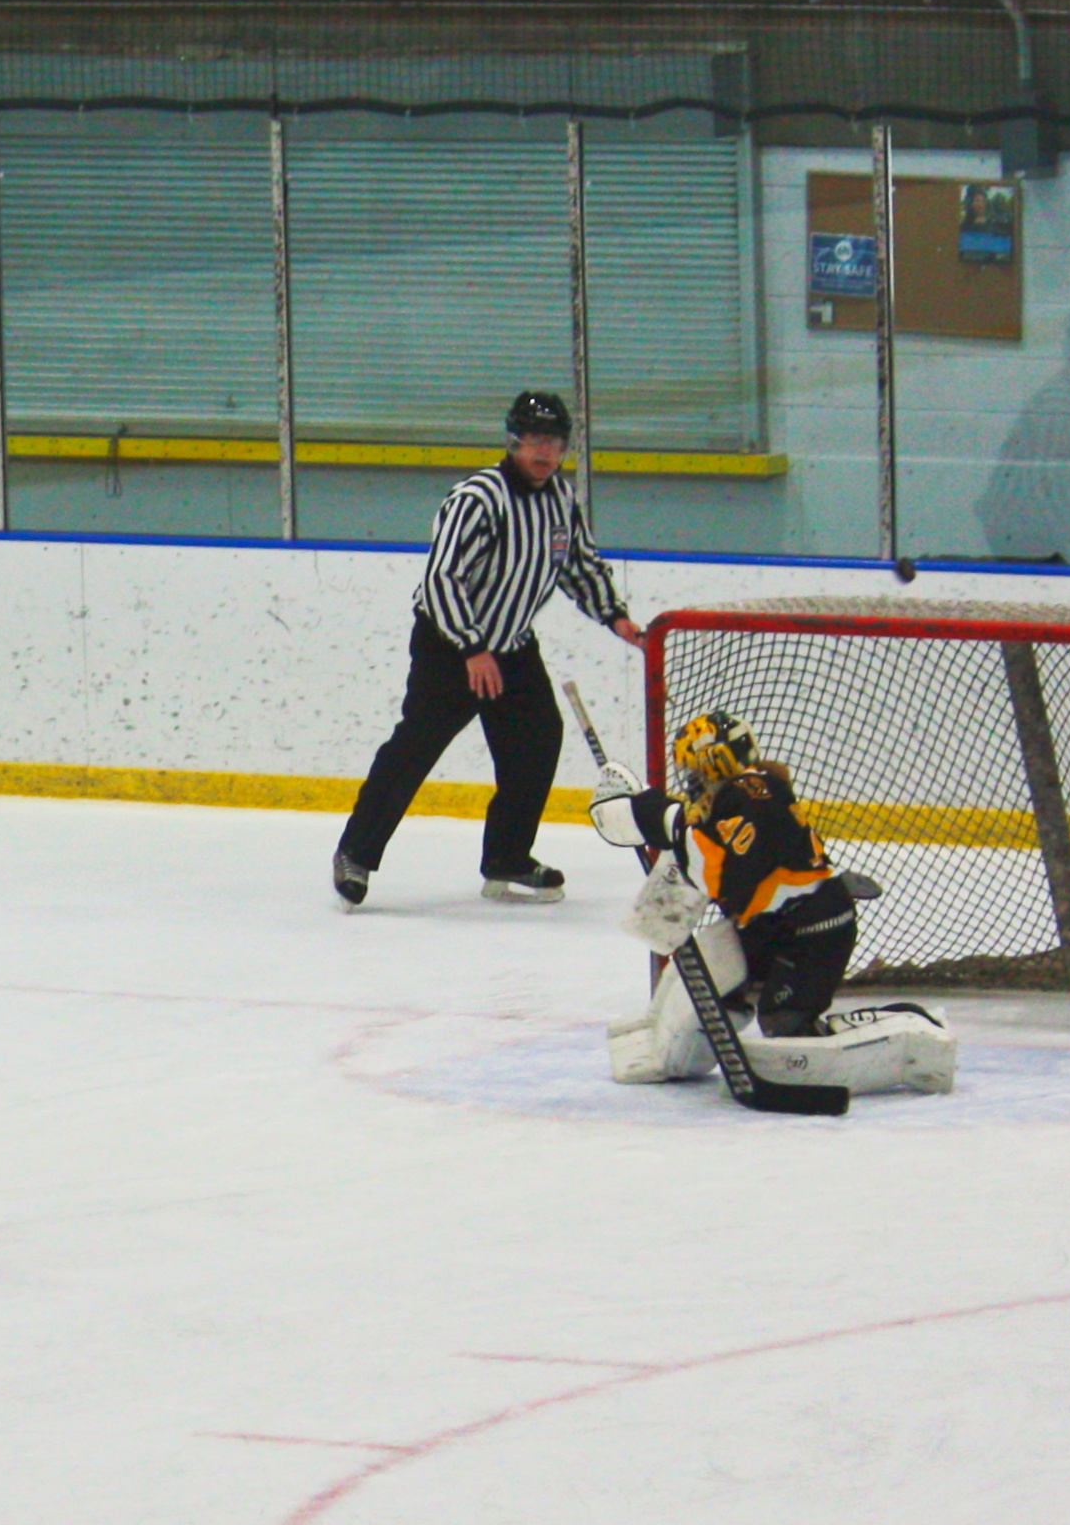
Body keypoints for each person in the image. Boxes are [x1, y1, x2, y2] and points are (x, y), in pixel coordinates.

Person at [332, 389, 643, 909]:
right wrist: (472, 649)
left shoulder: (562, 500)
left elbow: (580, 566)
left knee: (537, 741)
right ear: (514, 441)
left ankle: (507, 858)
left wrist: (617, 618)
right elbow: (442, 578)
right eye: (535, 440)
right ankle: (355, 854)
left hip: (513, 651)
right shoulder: (477, 498)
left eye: (555, 442)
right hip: (450, 647)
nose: (545, 452)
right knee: (414, 749)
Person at [591, 711, 956, 1095]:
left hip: (813, 932)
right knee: (710, 984)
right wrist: (648, 810)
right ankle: (665, 1046)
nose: (692, 782)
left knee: (786, 1024)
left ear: (716, 763)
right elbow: (694, 847)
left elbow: (709, 869)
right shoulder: (738, 798)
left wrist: (648, 814)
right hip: (771, 926)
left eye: (695, 772)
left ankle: (912, 1029)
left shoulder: (750, 794)